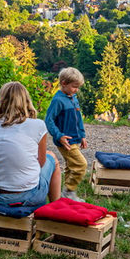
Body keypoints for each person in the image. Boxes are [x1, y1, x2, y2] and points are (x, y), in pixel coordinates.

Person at [0, 81, 61, 208]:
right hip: (22, 197)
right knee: (52, 158)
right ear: (26, 100)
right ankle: (56, 209)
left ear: (2, 100)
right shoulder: (38, 125)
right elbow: (41, 163)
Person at [45, 67, 87, 202]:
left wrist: (82, 135)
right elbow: (49, 120)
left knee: (71, 166)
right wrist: (59, 136)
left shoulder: (73, 98)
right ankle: (68, 191)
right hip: (65, 141)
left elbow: (78, 118)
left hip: (75, 138)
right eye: (74, 87)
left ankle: (66, 196)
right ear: (64, 83)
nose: (77, 90)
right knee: (81, 165)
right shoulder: (58, 100)